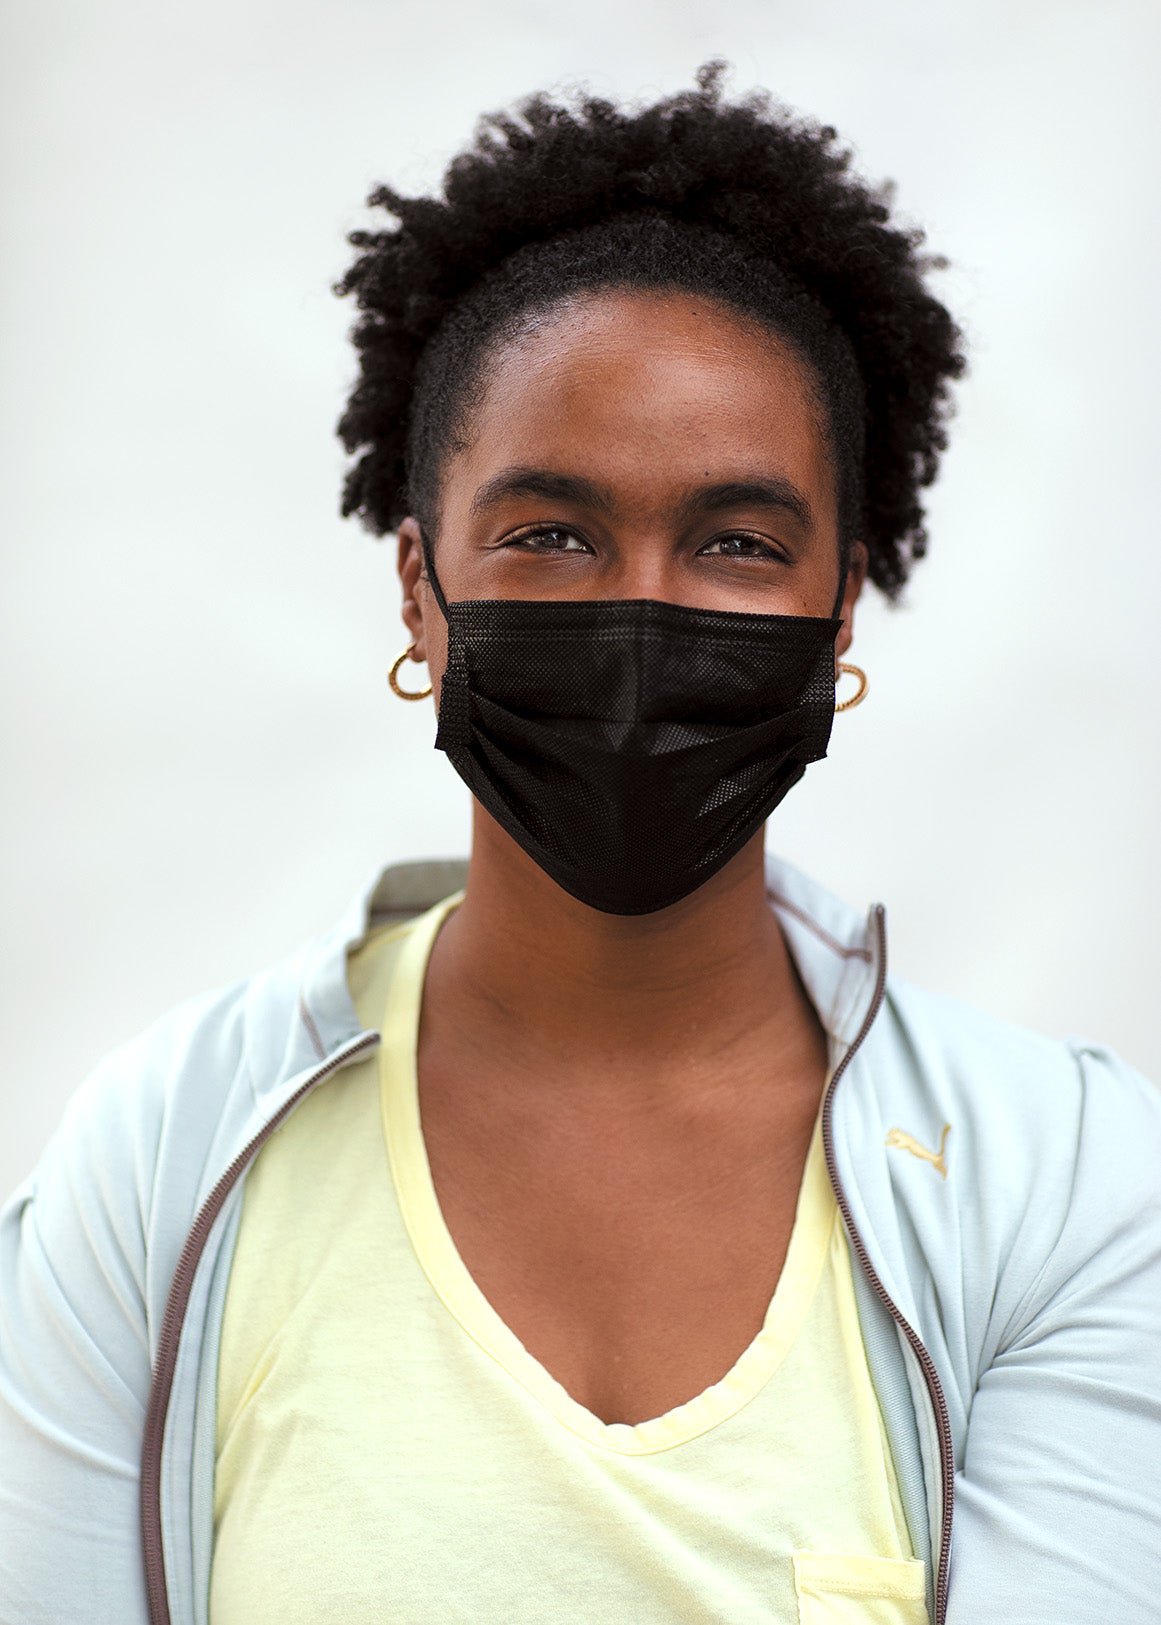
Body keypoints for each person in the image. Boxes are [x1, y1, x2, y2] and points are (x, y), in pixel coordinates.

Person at [2, 62, 1160, 1625]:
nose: (643, 608)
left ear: (839, 610)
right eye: (550, 533)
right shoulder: (167, 1154)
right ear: (419, 587)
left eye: (737, 542)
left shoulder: (1061, 1182)